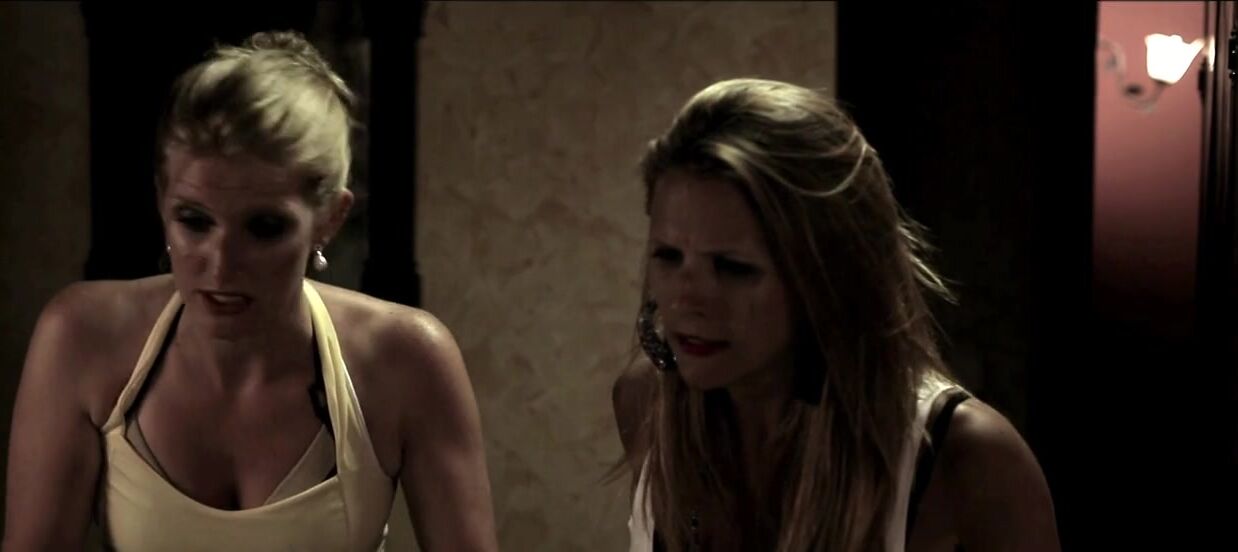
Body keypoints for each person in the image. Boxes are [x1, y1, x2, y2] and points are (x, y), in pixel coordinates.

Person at [3, 31, 496, 551]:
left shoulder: (405, 360)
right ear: (161, 201)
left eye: (264, 227)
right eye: (195, 221)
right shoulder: (83, 339)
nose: (222, 264)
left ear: (329, 219)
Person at [613, 78, 1059, 552]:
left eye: (733, 267)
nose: (686, 300)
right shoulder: (644, 402)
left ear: (832, 273)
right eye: (668, 256)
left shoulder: (968, 459)